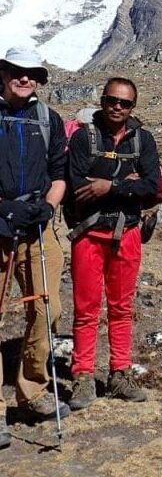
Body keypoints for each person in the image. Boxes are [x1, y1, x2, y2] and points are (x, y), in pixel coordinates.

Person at [67, 77, 160, 410]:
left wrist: (109, 186)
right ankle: (82, 376)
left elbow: (151, 184)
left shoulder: (143, 140)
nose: (117, 107)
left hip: (128, 235)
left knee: (122, 309)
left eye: (125, 103)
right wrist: (129, 183)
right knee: (86, 309)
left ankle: (119, 373)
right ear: (102, 101)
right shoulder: (83, 138)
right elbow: (76, 183)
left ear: (133, 107)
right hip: (89, 235)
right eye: (112, 100)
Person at [0, 47, 69, 449]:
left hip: (37, 226)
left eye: (33, 74)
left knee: (48, 309)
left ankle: (33, 391)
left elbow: (59, 173)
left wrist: (48, 205)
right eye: (18, 71)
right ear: (4, 72)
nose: (26, 79)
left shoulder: (48, 120)